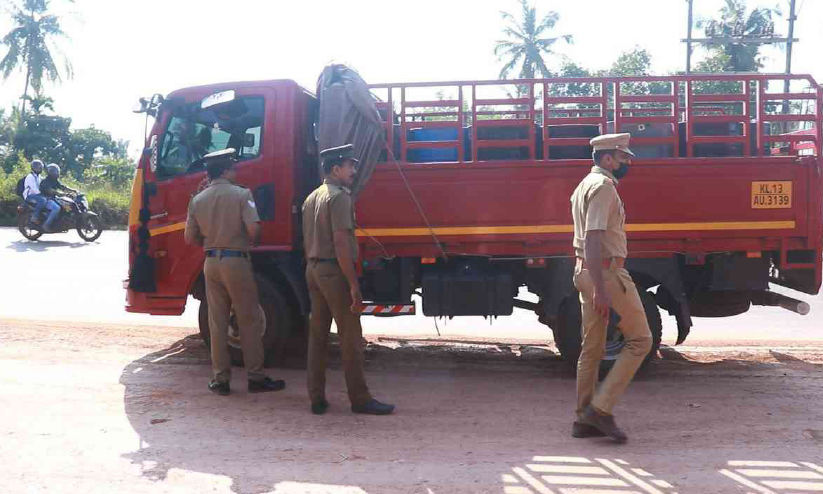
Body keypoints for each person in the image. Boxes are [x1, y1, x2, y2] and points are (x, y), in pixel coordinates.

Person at [569, 133, 652, 444]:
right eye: (622, 158)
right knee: (641, 340)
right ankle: (600, 410)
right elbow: (593, 237)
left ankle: (583, 419)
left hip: (585, 271)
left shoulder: (583, 185)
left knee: (591, 348)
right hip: (604, 273)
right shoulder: (603, 187)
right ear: (607, 159)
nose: (626, 163)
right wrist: (602, 289)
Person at [184, 148, 286, 396]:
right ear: (227, 170)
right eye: (233, 167)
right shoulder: (242, 194)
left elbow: (189, 238)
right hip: (235, 261)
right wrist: (249, 242)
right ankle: (255, 377)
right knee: (249, 319)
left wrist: (212, 241)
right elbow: (254, 230)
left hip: (211, 262)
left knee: (216, 322)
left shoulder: (197, 199)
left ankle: (221, 380)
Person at [302, 144, 394, 416]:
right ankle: (360, 399)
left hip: (313, 270)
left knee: (317, 337)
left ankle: (316, 398)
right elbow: (341, 241)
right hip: (333, 272)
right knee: (350, 337)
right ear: (335, 169)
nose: (354, 171)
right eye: (349, 166)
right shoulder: (340, 198)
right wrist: (353, 284)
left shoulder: (312, 197)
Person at [40, 163, 76, 232]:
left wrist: (72, 190)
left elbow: (62, 187)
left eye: (57, 171)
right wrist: (59, 193)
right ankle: (46, 225)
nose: (57, 173)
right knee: (56, 208)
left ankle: (62, 223)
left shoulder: (54, 180)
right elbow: (49, 190)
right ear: (50, 172)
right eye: (55, 171)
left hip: (53, 198)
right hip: (46, 199)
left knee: (65, 205)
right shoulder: (45, 181)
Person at [22, 160, 47, 225]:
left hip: (36, 195)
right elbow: (34, 189)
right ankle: (34, 216)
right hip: (29, 196)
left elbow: (44, 182)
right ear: (33, 168)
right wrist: (42, 194)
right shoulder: (30, 176)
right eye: (38, 167)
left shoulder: (38, 176)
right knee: (43, 200)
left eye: (40, 167)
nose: (39, 168)